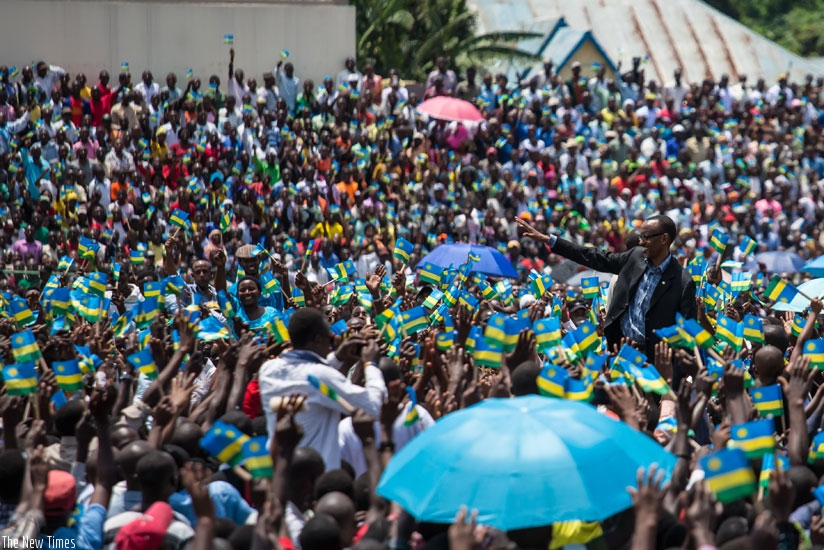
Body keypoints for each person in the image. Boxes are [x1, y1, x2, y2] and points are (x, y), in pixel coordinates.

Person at [517, 215, 696, 358]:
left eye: (646, 237)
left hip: (654, 365)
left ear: (664, 239)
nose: (640, 242)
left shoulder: (683, 282)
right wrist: (550, 240)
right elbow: (593, 256)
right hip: (619, 353)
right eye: (640, 237)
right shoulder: (635, 257)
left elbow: (687, 337)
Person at [258, 308, 386, 470]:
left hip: (281, 471)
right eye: (330, 338)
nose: (332, 344)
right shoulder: (322, 375)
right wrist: (370, 364)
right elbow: (374, 407)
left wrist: (338, 358)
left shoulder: (268, 370)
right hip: (317, 477)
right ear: (318, 339)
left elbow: (305, 375)